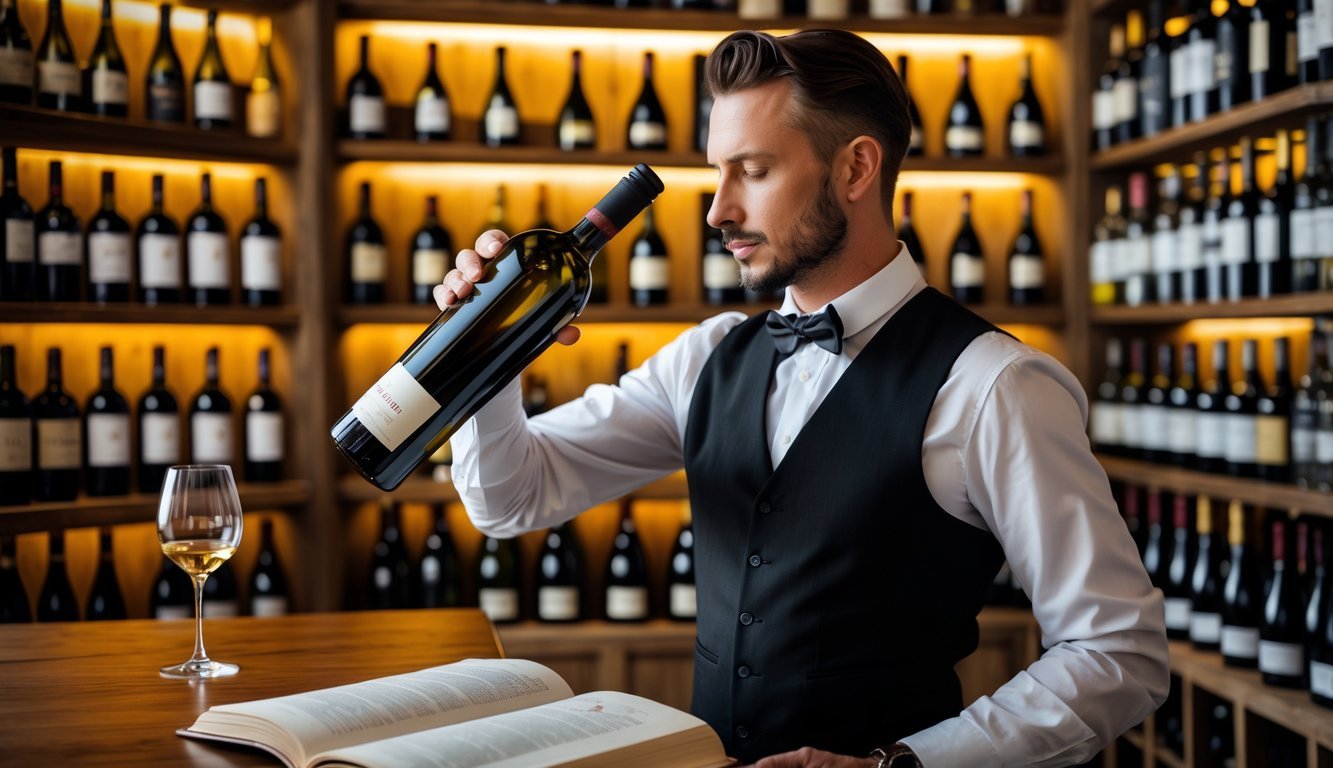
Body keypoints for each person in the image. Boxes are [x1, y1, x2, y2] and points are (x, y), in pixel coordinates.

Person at [435, 29, 1168, 768]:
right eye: (718, 174)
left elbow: (1116, 651)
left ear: (855, 167)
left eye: (750, 171)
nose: (718, 210)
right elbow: (509, 499)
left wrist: (900, 765)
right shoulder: (707, 355)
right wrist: (486, 348)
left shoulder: (995, 384)